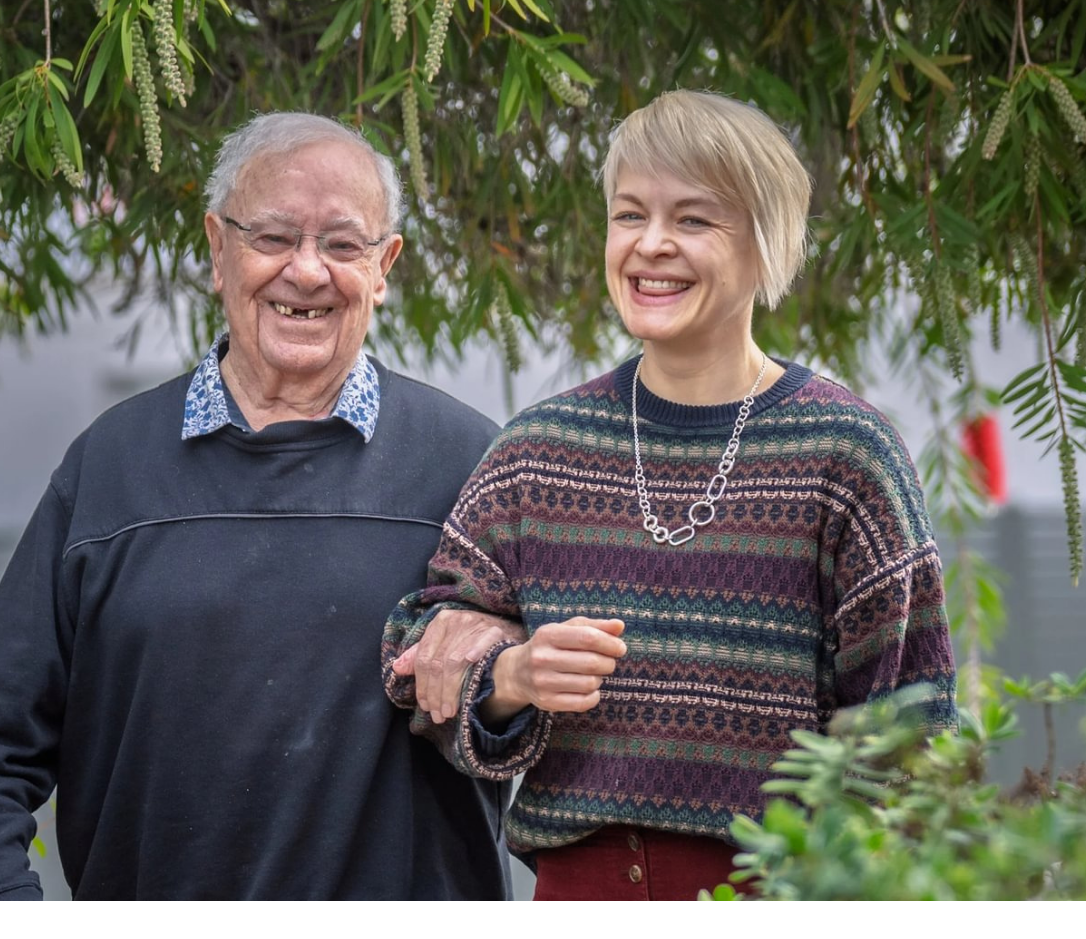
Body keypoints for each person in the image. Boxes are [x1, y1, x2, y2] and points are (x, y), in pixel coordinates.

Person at [0, 111, 526, 901]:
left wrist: (509, 645)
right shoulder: (110, 468)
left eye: (342, 245)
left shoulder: (474, 469)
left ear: (384, 266)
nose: (306, 272)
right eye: (272, 238)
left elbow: (564, 727)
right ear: (216, 249)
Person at [380, 89, 959, 901]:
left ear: (766, 245)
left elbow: (909, 721)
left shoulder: (844, 454)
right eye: (629, 216)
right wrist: (510, 678)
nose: (651, 246)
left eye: (693, 221)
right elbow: (413, 663)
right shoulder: (537, 453)